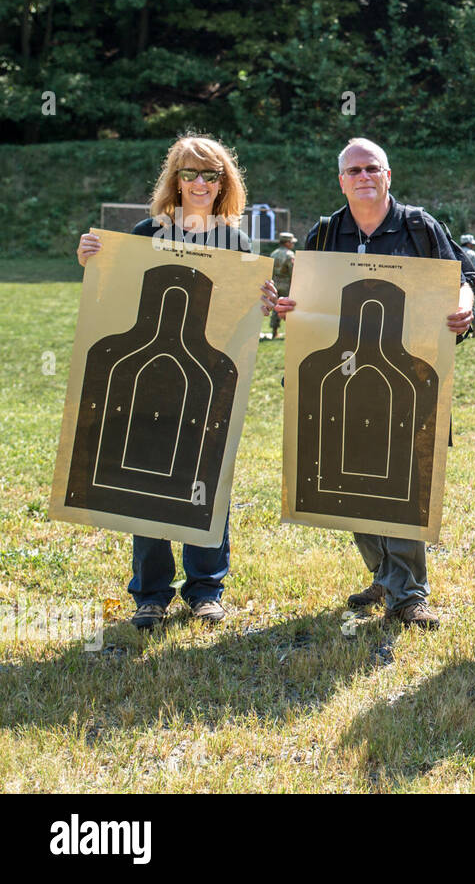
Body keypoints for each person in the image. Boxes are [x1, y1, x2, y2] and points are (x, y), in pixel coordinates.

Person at [271, 137, 475, 629]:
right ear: (341, 180)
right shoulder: (325, 233)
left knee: (402, 478)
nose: (364, 176)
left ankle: (408, 595)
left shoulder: (418, 227)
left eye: (372, 168)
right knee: (347, 480)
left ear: (388, 175)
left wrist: (465, 305)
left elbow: (466, 277)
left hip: (405, 376)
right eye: (354, 170)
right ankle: (385, 575)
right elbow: (306, 298)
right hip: (340, 378)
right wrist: (286, 307)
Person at [75, 133, 277, 630]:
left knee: (206, 481)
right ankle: (150, 593)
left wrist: (264, 303)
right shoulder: (148, 231)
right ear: (176, 179)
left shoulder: (236, 241)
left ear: (223, 182)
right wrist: (89, 259)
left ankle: (205, 590)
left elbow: (239, 315)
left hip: (206, 380)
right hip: (147, 380)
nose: (201, 183)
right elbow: (114, 295)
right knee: (145, 480)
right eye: (190, 173)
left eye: (212, 175)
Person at [266, 231, 296, 339]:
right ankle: (292, 332)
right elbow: (293, 271)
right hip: (287, 284)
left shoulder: (273, 253)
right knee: (290, 307)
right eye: (291, 242)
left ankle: (274, 331)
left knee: (276, 307)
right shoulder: (290, 254)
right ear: (287, 243)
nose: (293, 244)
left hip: (275, 283)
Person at [459, 233, 475, 336]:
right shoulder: (472, 253)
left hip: (459, 281)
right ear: (468, 244)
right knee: (474, 305)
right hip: (471, 282)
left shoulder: (457, 251)